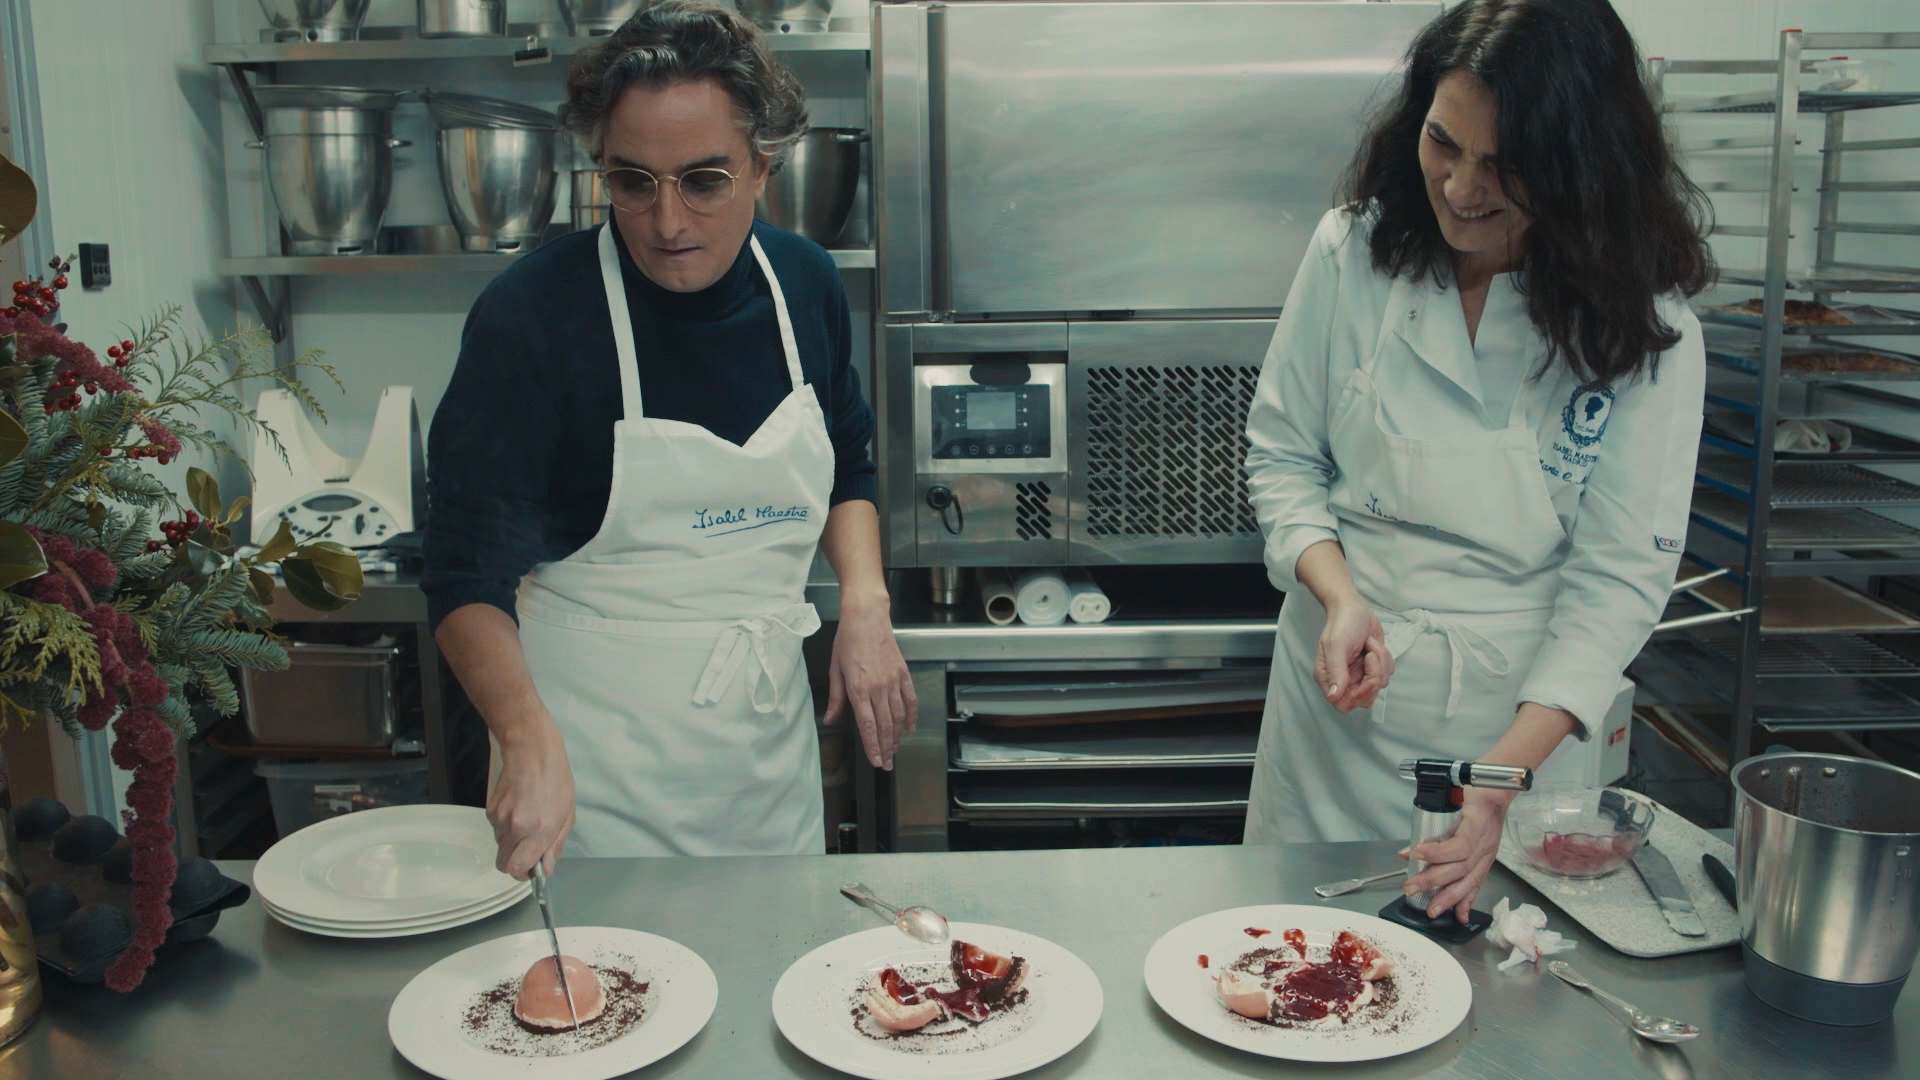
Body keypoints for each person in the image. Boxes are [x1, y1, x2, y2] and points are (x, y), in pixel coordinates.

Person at [1241, 0, 1711, 924]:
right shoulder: (1354, 252)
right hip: (1334, 714)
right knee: (1294, 947)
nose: (1460, 187)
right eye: (1442, 142)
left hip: (1515, 735)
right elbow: (1285, 456)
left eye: (1503, 165)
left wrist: (1497, 783)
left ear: (1582, 166)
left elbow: (1618, 580)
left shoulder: (1646, 328)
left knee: (1497, 983)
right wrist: (1339, 596)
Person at [424, 1, 915, 878]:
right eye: (632, 182)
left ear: (762, 165)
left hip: (763, 768)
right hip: (588, 774)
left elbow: (848, 462)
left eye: (704, 180)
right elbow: (463, 574)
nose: (667, 221)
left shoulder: (805, 284)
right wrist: (524, 736)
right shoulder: (533, 315)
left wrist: (867, 606)